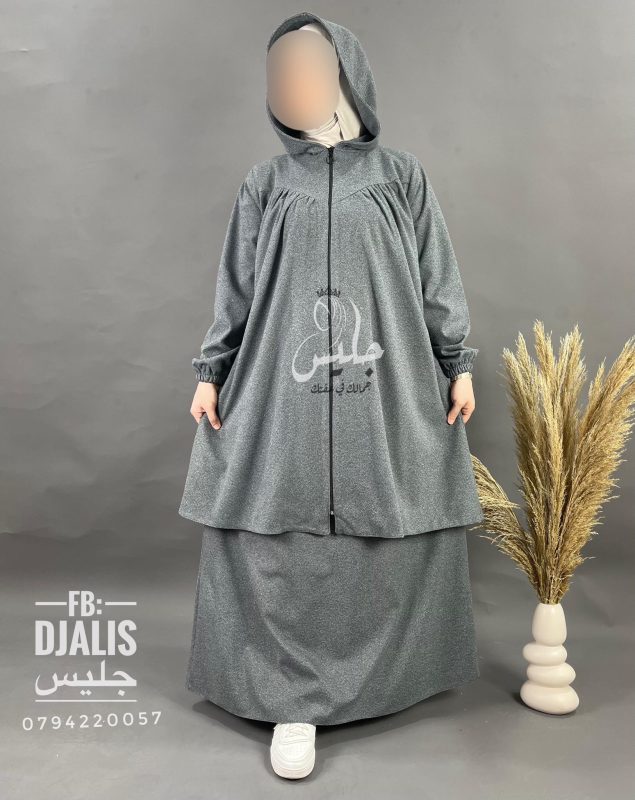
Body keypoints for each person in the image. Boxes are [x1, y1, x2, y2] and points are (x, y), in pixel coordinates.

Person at [180, 12, 483, 780]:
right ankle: (289, 696)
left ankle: (386, 681)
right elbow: (237, 288)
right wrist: (211, 372)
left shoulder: (400, 177)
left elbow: (436, 277)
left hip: (384, 385)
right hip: (282, 390)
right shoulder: (264, 184)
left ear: (347, 73)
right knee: (277, 522)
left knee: (388, 510)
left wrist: (456, 362)